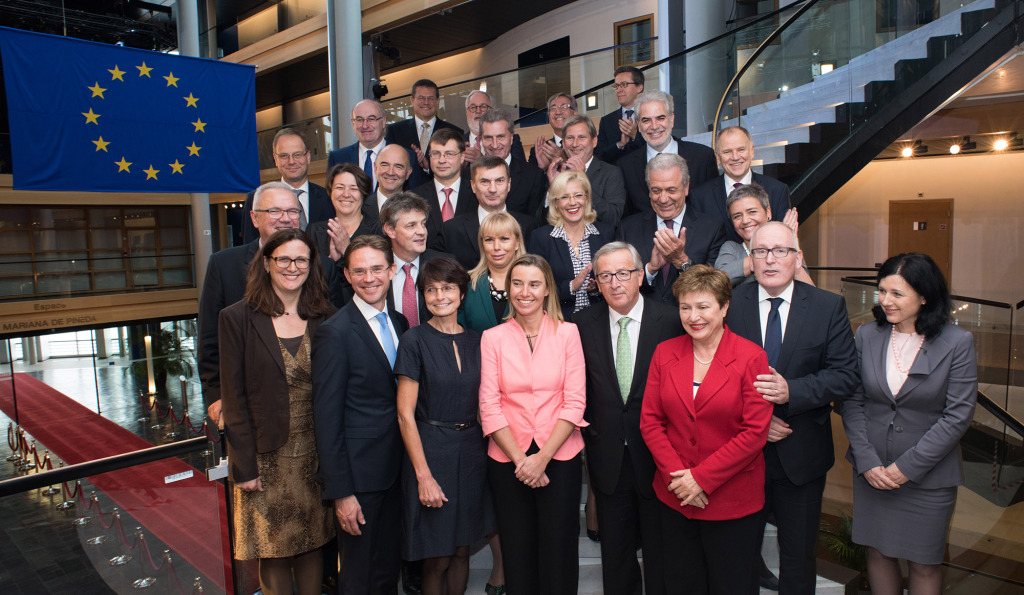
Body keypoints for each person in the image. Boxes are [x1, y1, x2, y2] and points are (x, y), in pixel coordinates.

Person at [725, 221, 859, 595]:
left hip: (802, 456)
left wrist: (791, 392)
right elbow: (714, 376)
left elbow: (846, 376)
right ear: (751, 259)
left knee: (798, 560)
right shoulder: (730, 305)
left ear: (797, 257)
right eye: (761, 251)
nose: (770, 259)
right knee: (738, 558)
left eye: (780, 251)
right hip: (739, 456)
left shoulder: (827, 306)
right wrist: (757, 420)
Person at [841, 253, 977, 595]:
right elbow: (852, 401)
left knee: (924, 563)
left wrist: (906, 468)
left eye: (897, 293)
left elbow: (957, 415)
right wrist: (867, 461)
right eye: (882, 291)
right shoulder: (867, 335)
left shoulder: (957, 342)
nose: (886, 301)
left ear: (924, 296)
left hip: (928, 477)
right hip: (872, 471)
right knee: (878, 552)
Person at [639, 264, 772, 594]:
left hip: (732, 501)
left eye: (703, 306)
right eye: (685, 307)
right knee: (680, 585)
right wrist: (680, 479)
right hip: (676, 499)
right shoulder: (665, 353)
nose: (693, 316)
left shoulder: (751, 357)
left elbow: (754, 433)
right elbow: (651, 422)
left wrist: (701, 478)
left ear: (724, 307)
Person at [219, 227, 336, 595]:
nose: (292, 267)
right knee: (272, 550)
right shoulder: (237, 318)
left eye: (301, 259)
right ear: (267, 263)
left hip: (316, 455)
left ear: (312, 265)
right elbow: (233, 398)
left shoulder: (326, 317)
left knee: (312, 542)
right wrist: (244, 466)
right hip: (264, 457)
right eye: (283, 259)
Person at [575, 241, 683, 595]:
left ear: (639, 276)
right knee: (616, 555)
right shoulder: (581, 325)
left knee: (662, 553)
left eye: (623, 273)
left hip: (659, 457)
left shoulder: (671, 321)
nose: (615, 282)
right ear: (596, 282)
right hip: (607, 456)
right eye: (605, 276)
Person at [479, 254, 588, 595]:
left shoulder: (568, 333)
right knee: (517, 549)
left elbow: (575, 402)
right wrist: (522, 460)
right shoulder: (492, 337)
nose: (524, 292)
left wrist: (541, 458)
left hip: (560, 456)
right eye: (517, 283)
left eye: (533, 284)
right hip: (508, 459)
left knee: (559, 547)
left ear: (547, 290)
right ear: (508, 288)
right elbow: (489, 405)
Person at [312, 234, 410, 595]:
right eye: (359, 271)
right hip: (359, 478)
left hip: (398, 470)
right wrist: (342, 492)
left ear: (392, 271)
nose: (369, 278)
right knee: (358, 575)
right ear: (347, 276)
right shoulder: (334, 333)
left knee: (387, 569)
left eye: (377, 269)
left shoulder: (400, 322)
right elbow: (326, 418)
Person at [395, 257, 495, 595]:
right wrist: (423, 477)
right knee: (437, 557)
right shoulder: (414, 340)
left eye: (448, 288)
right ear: (423, 296)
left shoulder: (478, 341)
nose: (440, 296)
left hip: (471, 453)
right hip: (431, 453)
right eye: (431, 289)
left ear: (462, 293)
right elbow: (404, 414)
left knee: (463, 551)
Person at [200, 182, 302, 424]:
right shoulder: (223, 265)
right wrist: (216, 395)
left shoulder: (318, 263)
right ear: (255, 218)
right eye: (275, 211)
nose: (285, 218)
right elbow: (209, 338)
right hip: (247, 405)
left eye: (292, 211)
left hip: (309, 402)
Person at [618, 153, 726, 304]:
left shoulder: (712, 229)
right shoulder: (628, 229)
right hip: (646, 317)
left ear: (686, 188)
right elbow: (619, 285)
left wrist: (681, 261)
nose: (663, 199)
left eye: (671, 190)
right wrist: (650, 270)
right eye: (656, 191)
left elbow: (714, 290)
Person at [528, 170, 614, 321]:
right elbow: (535, 287)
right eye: (564, 197)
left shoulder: (605, 233)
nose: (573, 202)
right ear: (555, 203)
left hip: (601, 321)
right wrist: (571, 286)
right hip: (559, 322)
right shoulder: (541, 238)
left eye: (578, 195)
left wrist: (598, 287)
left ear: (587, 198)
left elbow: (616, 279)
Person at [616, 91, 717, 217]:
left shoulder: (703, 157)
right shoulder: (625, 167)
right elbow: (627, 218)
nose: (654, 126)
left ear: (672, 119)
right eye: (646, 120)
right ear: (639, 125)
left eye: (660, 118)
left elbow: (712, 212)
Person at [689, 126, 791, 244]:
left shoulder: (777, 190)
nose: (735, 157)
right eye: (727, 152)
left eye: (741, 149)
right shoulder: (700, 197)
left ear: (752, 151)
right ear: (718, 157)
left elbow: (783, 241)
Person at [442, 155, 536, 269]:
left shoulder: (530, 226)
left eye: (499, 181)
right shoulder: (451, 230)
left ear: (509, 184)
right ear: (473, 186)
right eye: (485, 181)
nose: (492, 189)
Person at [242, 128, 333, 243]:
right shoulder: (256, 199)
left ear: (308, 157)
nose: (291, 161)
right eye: (284, 156)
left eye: (297, 154)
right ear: (275, 159)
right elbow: (251, 246)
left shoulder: (329, 198)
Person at [307, 163, 384, 300]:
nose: (346, 194)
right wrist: (330, 262)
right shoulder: (314, 231)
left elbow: (377, 277)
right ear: (330, 192)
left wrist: (346, 251)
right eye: (339, 187)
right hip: (324, 307)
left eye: (354, 188)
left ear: (363, 193)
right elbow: (309, 282)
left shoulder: (377, 230)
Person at [714, 184, 812, 287]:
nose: (745, 220)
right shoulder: (732, 248)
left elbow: (809, 290)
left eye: (752, 212)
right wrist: (763, 256)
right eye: (737, 216)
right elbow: (718, 281)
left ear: (768, 212)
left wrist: (786, 242)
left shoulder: (786, 247)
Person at [380, 192, 450, 326]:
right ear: (390, 230)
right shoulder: (377, 268)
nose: (422, 232)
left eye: (423, 224)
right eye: (411, 225)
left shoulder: (443, 264)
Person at [326, 99, 424, 192]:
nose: (365, 126)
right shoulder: (337, 158)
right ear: (353, 123)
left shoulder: (408, 156)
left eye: (371, 119)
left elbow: (416, 196)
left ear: (383, 122)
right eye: (359, 120)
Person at [550, 114, 626, 226]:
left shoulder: (611, 173)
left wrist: (583, 180)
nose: (575, 144)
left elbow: (613, 218)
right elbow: (541, 221)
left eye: (581, 137)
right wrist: (552, 188)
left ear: (594, 141)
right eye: (570, 138)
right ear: (564, 143)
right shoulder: (558, 173)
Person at [460, 212, 527, 333]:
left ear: (517, 242)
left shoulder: (534, 282)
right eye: (489, 240)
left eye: (504, 239)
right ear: (482, 244)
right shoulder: (467, 283)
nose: (496, 247)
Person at [479, 108, 547, 219]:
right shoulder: (468, 176)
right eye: (488, 138)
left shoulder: (533, 176)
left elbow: (535, 222)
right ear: (481, 139)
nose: (495, 145)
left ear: (511, 138)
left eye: (500, 137)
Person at [386, 79, 463, 173]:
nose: (426, 102)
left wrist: (428, 168)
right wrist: (411, 161)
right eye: (421, 98)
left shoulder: (455, 133)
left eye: (431, 98)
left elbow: (457, 170)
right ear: (412, 100)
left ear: (437, 101)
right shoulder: (395, 131)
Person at [595, 66, 646, 164]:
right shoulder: (607, 121)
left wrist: (635, 136)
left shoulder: (651, 117)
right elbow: (600, 156)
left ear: (639, 87)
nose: (619, 90)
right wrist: (619, 145)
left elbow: (657, 149)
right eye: (616, 86)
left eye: (624, 84)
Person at [463, 90, 526, 163]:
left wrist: (481, 160)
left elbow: (520, 168)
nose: (478, 111)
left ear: (492, 111)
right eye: (473, 107)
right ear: (466, 113)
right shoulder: (459, 143)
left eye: (483, 106)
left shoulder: (511, 139)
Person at [528, 92, 576, 171]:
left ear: (574, 113)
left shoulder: (584, 145)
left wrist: (564, 160)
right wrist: (543, 168)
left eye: (564, 107)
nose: (558, 112)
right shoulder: (540, 151)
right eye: (553, 108)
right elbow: (531, 179)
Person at [366, 144, 415, 219]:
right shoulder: (359, 209)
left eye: (398, 167)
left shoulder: (419, 209)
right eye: (385, 165)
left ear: (408, 172)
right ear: (375, 168)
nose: (390, 172)